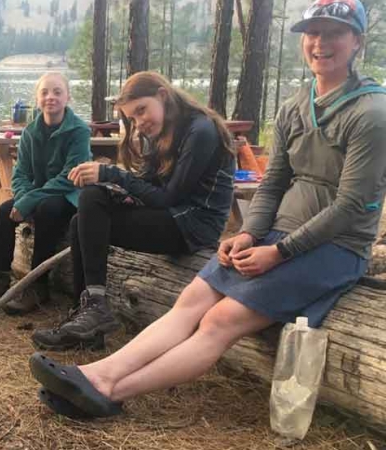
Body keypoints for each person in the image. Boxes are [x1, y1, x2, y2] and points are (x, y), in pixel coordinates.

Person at [30, 0, 386, 419]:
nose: (320, 43)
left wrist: (280, 252)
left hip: (336, 247)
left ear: (357, 42)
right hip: (274, 235)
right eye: (313, 33)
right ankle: (94, 373)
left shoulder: (372, 113)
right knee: (192, 300)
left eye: (334, 34)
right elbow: (272, 184)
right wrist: (249, 234)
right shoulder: (295, 104)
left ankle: (110, 390)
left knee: (219, 321)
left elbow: (349, 206)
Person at [31, 70, 237, 350]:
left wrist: (111, 174)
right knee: (84, 214)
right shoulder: (164, 129)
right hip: (172, 217)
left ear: (162, 95)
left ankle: (91, 313)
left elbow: (168, 197)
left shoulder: (200, 131)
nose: (139, 122)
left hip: (194, 225)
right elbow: (149, 185)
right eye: (132, 117)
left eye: (142, 111)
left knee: (91, 203)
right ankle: (86, 316)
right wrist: (120, 191)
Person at [0, 72, 93, 316]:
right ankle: (0, 277)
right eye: (45, 93)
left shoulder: (79, 131)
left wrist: (28, 201)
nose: (51, 97)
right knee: (4, 210)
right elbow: (20, 174)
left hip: (69, 195)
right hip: (39, 193)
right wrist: (22, 198)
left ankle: (38, 287)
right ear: (37, 99)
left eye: (57, 92)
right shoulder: (30, 131)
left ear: (67, 97)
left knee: (47, 209)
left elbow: (68, 177)